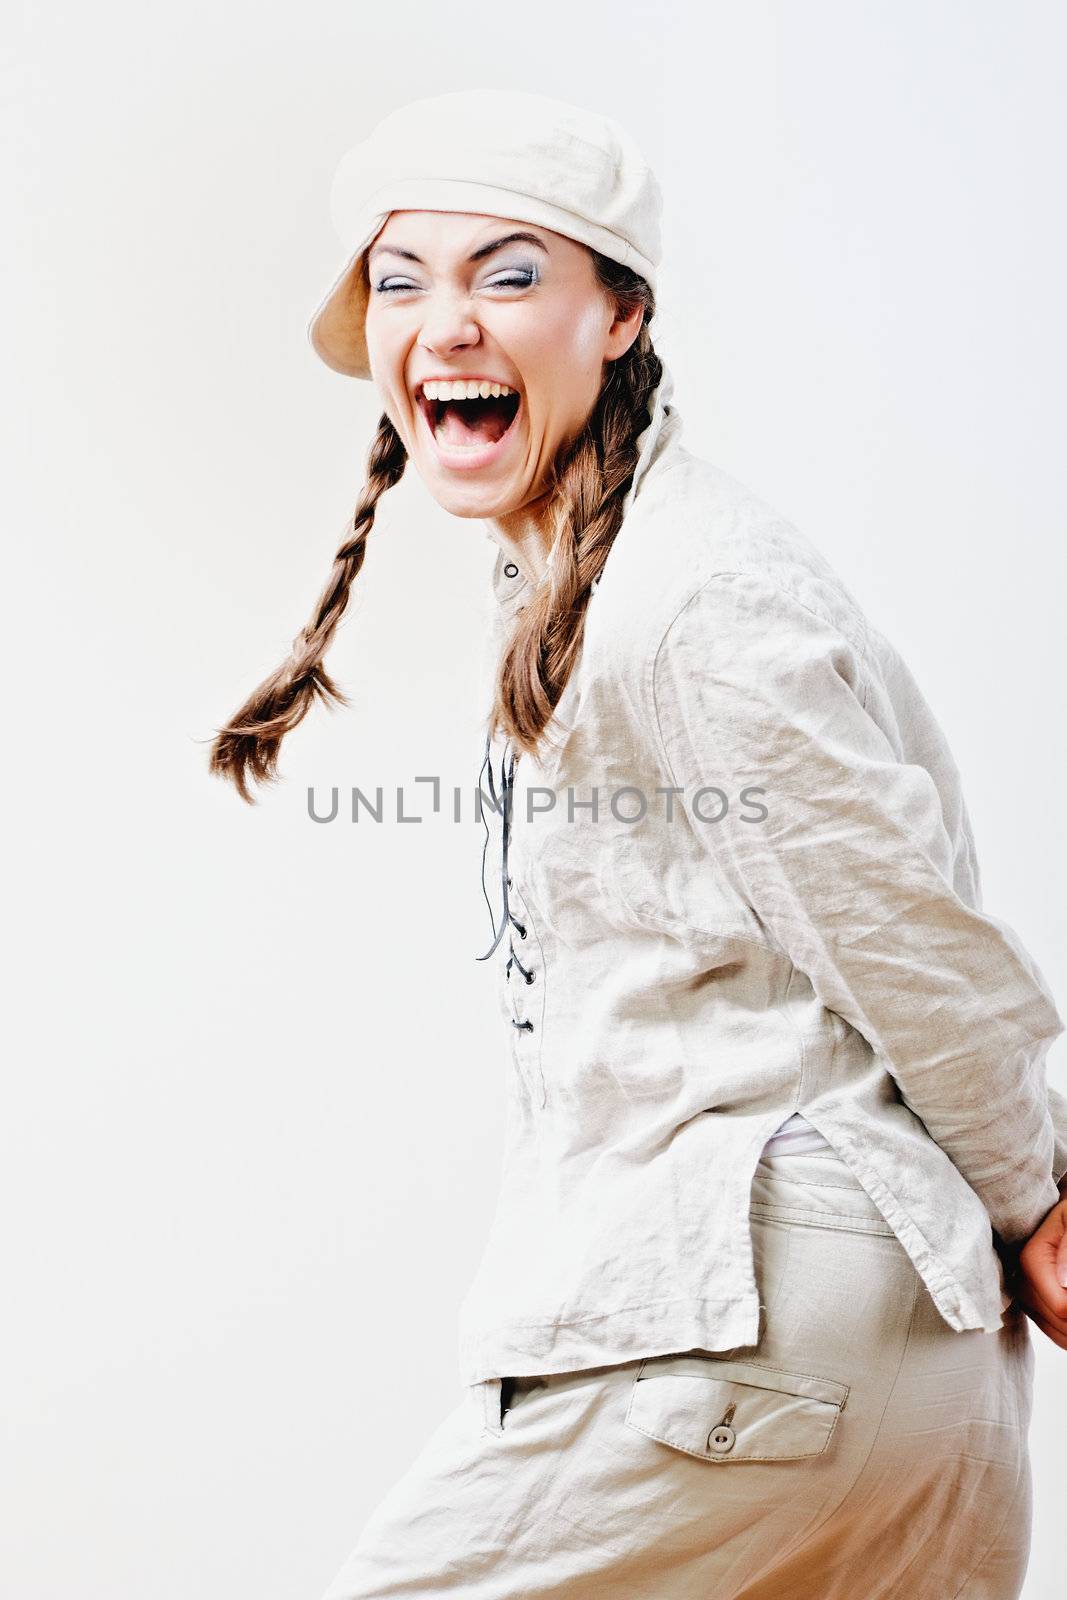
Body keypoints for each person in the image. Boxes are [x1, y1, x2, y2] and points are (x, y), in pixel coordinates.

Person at [208, 90, 1067, 1599]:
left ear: (622, 314)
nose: (446, 323)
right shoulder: (599, 580)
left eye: (512, 273)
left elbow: (898, 925)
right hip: (887, 1350)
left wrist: (1041, 1196)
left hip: (744, 1311)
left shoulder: (686, 604)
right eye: (402, 281)